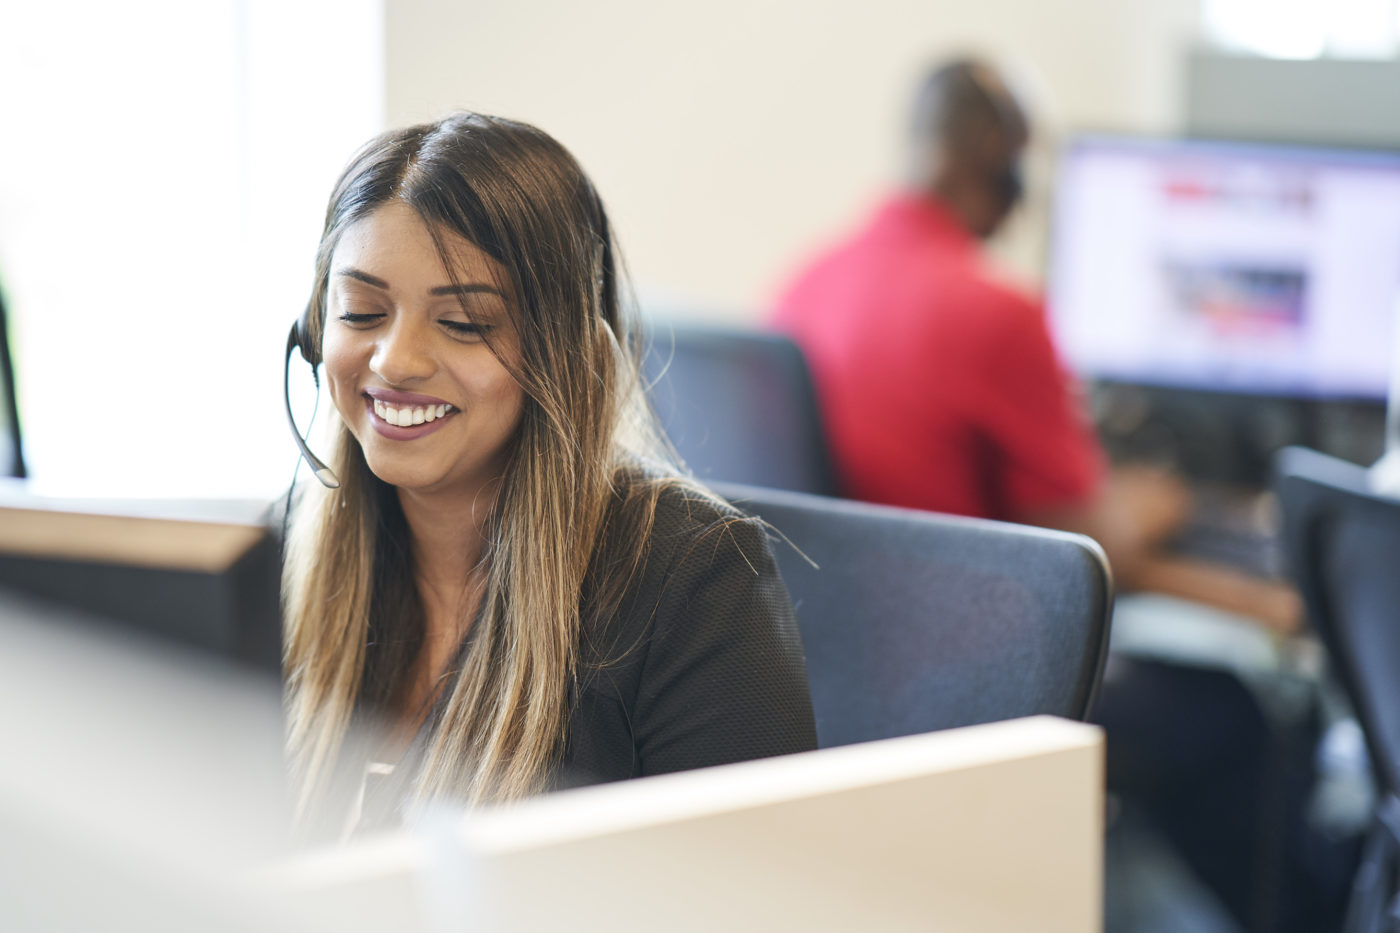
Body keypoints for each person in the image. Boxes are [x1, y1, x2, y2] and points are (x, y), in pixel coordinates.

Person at [281, 113, 816, 836]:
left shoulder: (691, 586)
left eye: (465, 323)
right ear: (316, 331)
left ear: (564, 357)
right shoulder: (291, 556)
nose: (396, 361)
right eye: (363, 310)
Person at [770, 57, 1185, 586]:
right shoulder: (1001, 314)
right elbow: (1081, 544)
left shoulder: (803, 282)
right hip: (954, 629)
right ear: (1000, 160)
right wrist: (1150, 509)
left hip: (831, 626)